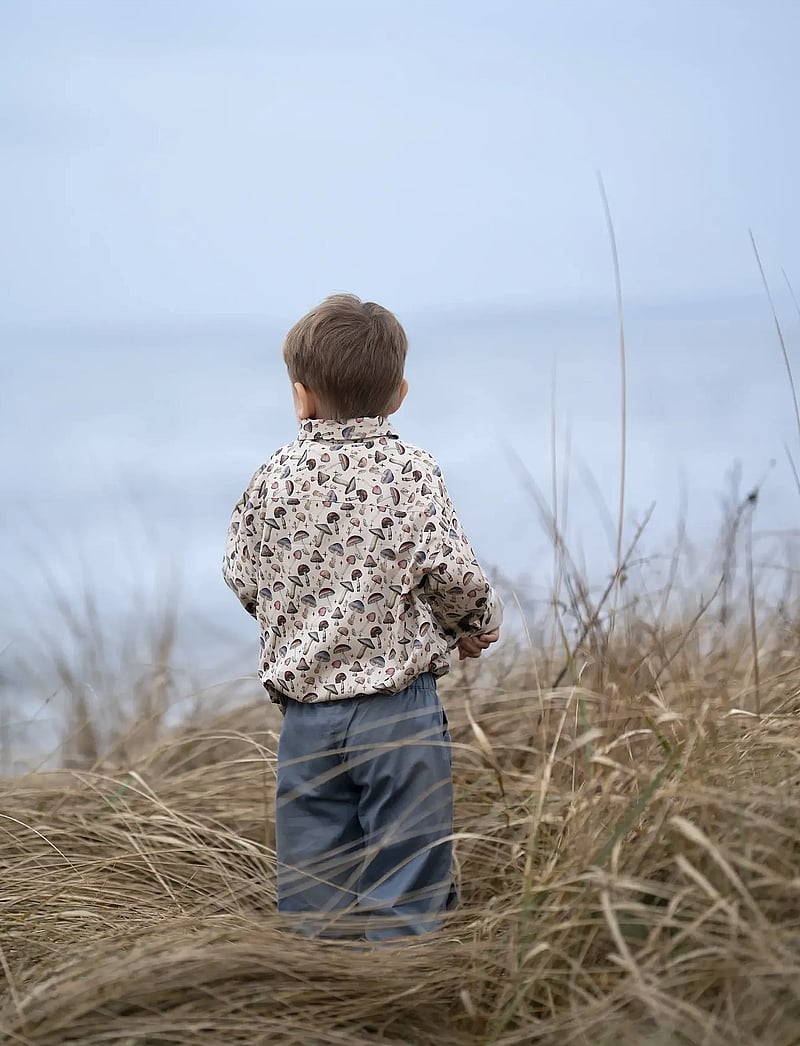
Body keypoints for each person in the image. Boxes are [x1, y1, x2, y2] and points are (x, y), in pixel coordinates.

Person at [223, 294, 502, 941]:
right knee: (409, 865)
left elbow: (241, 570)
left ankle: (327, 994)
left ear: (302, 397)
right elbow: (450, 572)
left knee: (314, 879)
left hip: (307, 719)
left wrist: (290, 612)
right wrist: (471, 626)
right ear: (399, 394)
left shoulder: (274, 478)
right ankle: (400, 988)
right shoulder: (411, 471)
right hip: (398, 713)